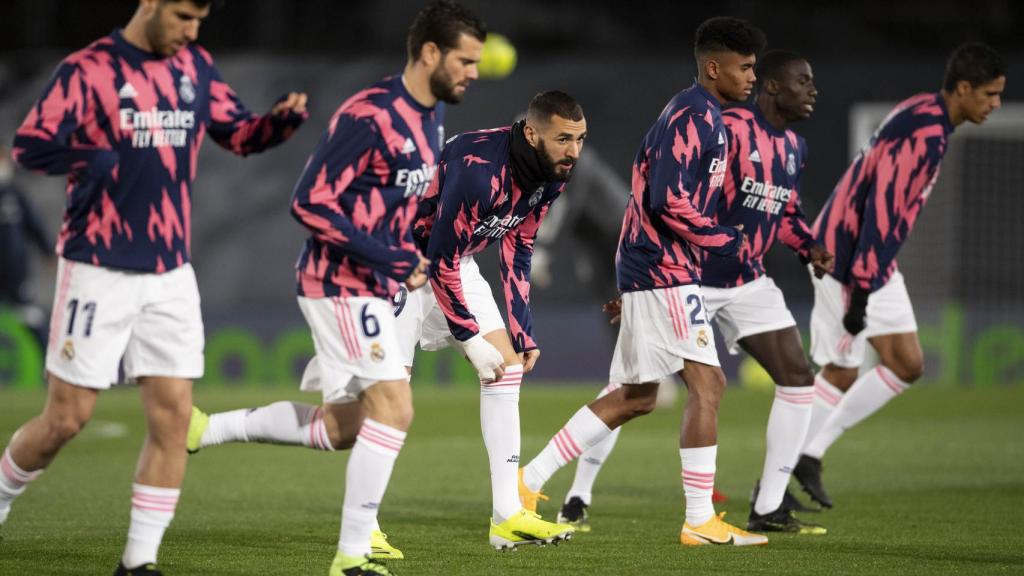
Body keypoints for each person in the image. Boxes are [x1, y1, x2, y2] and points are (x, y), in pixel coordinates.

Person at [0, 1, 308, 574]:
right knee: (66, 420)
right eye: (184, 17)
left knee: (172, 419)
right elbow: (30, 144)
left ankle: (138, 563)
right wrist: (85, 154)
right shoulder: (88, 69)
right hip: (98, 265)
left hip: (170, 272)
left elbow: (236, 134)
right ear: (150, 4)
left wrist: (276, 125)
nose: (191, 32)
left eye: (200, 21)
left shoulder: (194, 66)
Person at [186, 2, 485, 571]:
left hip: (378, 283)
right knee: (395, 408)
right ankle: (351, 556)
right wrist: (389, 255)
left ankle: (209, 427)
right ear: (429, 53)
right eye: (465, 60)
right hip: (340, 281)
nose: (474, 71)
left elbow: (391, 202)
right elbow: (310, 201)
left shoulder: (430, 117)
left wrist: (408, 254)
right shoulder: (370, 114)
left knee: (346, 427)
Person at [538, 50, 835, 535]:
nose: (812, 90)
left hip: (744, 279)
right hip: (689, 275)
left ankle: (769, 505)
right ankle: (579, 492)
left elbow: (785, 213)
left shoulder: (793, 149)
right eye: (802, 80)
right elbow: (674, 198)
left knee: (796, 376)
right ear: (773, 88)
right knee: (638, 392)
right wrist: (643, 285)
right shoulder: (725, 128)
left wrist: (810, 248)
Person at [517, 16, 768, 546]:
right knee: (708, 384)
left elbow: (648, 201)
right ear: (714, 66)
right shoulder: (693, 117)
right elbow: (665, 200)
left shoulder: (702, 117)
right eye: (745, 67)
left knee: (636, 396)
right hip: (665, 267)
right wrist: (722, 240)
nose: (752, 77)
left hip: (652, 268)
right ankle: (699, 520)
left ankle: (528, 481)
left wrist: (633, 281)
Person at [792, 43, 1006, 509]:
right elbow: (881, 214)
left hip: (868, 258)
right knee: (841, 369)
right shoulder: (926, 136)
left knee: (907, 362)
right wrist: (863, 295)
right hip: (845, 258)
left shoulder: (923, 109)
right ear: (964, 89)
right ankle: (775, 484)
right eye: (990, 94)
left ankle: (809, 453)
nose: (996, 104)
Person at [395, 90, 586, 550]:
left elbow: (519, 248)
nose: (574, 152)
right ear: (531, 132)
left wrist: (521, 331)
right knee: (388, 405)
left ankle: (506, 517)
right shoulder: (480, 169)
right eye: (564, 139)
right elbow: (436, 257)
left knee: (508, 365)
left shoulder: (551, 174)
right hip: (398, 263)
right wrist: (469, 338)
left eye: (579, 140)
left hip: (454, 261)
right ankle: (363, 531)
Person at [0, 146, 53, 351]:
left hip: (15, 272)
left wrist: (48, 253)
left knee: (29, 315)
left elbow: (35, 225)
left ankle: (49, 361)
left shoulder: (14, 195)